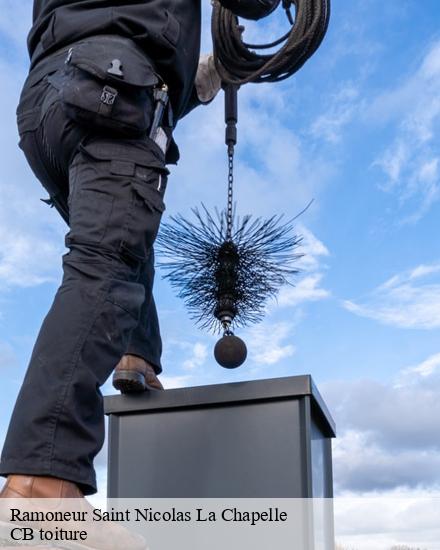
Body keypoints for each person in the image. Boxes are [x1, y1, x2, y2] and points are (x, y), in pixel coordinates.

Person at [0, 0, 223, 506]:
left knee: (121, 238)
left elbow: (113, 23)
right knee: (106, 263)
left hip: (44, 107)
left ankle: (136, 354)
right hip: (112, 88)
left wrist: (195, 82)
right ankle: (40, 487)